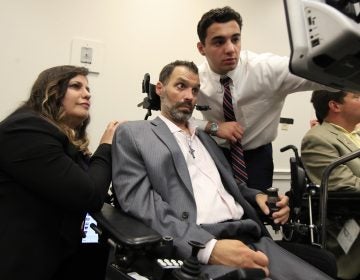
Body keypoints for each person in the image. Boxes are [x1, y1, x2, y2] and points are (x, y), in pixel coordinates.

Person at [112, 60, 334, 280]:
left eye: (195, 90)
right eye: (180, 86)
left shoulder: (207, 139)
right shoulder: (134, 133)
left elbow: (231, 184)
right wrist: (207, 248)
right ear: (160, 89)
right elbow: (142, 205)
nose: (189, 96)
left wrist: (257, 196)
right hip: (199, 240)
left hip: (250, 235)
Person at [0, 65, 121, 280]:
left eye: (88, 88)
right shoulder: (26, 128)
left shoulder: (62, 141)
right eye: (76, 86)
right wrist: (107, 146)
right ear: (52, 91)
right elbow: (89, 194)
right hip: (23, 264)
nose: (87, 94)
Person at [194, 6, 326, 192]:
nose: (230, 49)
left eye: (235, 39)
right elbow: (173, 117)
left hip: (258, 156)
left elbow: (325, 77)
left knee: (257, 213)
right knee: (219, 215)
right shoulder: (194, 78)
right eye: (219, 42)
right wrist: (212, 127)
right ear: (202, 48)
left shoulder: (268, 70)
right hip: (215, 154)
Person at [301, 89, 360, 279]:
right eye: (357, 96)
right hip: (350, 225)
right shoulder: (318, 138)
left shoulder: (356, 135)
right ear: (335, 106)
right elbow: (347, 189)